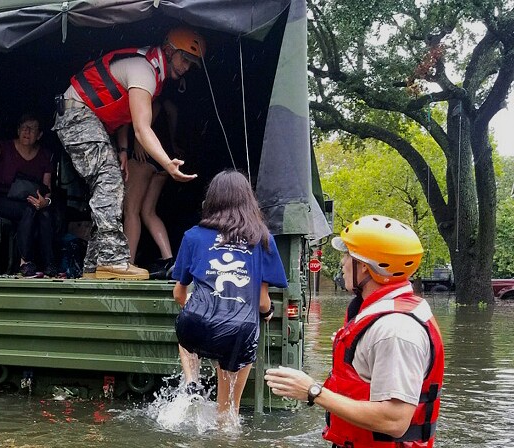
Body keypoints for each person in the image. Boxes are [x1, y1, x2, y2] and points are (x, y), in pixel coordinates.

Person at [265, 215, 444, 447]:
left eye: (348, 255)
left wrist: (313, 391)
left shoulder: (396, 331)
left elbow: (395, 421)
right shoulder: (381, 314)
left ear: (366, 267)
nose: (342, 262)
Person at [54, 26, 204, 280]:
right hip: (77, 113)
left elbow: (122, 114)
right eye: (184, 59)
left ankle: (95, 265)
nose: (187, 67)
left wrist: (122, 150)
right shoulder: (144, 70)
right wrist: (167, 163)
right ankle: (112, 260)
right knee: (110, 182)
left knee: (112, 184)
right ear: (168, 51)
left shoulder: (151, 74)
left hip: (91, 119)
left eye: (192, 64)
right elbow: (141, 127)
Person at [169, 170, 287, 425]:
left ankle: (192, 382)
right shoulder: (263, 238)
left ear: (211, 201)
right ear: (248, 200)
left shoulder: (193, 235)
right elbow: (261, 302)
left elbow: (179, 293)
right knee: (228, 416)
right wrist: (267, 314)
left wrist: (200, 309)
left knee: (189, 319)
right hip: (238, 332)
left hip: (195, 326)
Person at [0, 114, 58, 277]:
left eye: (33, 128)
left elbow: (47, 188)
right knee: (29, 209)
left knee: (45, 213)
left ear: (39, 135)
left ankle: (50, 265)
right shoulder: (5, 148)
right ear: (18, 130)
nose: (27, 131)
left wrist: (45, 202)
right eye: (24, 127)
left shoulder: (45, 156)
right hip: (1, 200)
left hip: (29, 201)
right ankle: (24, 263)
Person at [120, 98, 181, 277]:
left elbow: (145, 118)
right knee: (148, 212)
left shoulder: (146, 98)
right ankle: (168, 259)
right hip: (162, 161)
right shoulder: (168, 104)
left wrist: (139, 142)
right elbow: (171, 115)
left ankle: (128, 263)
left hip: (143, 157)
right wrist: (173, 143)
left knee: (131, 211)